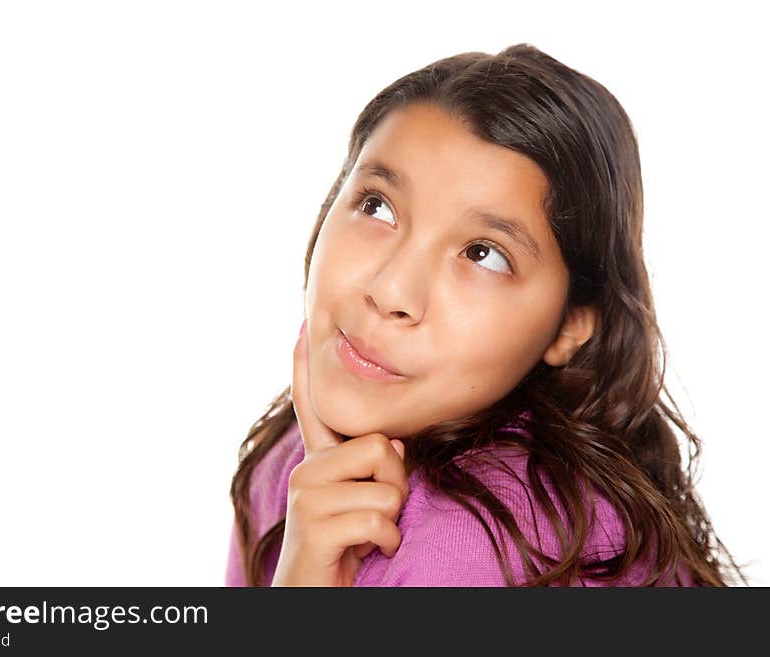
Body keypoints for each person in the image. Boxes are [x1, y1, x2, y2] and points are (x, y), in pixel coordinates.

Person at [224, 43, 746, 587]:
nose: (390, 290)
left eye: (482, 254)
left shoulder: (482, 546)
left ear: (570, 324)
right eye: (377, 205)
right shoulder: (292, 459)